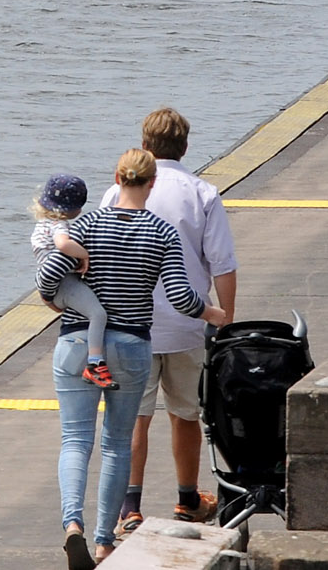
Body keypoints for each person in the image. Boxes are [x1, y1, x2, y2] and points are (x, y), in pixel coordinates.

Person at [37, 149, 222, 570]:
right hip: (131, 347)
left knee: (74, 440)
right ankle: (104, 542)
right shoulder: (162, 232)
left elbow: (47, 278)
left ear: (116, 179)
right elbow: (178, 297)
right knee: (117, 444)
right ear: (152, 183)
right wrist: (209, 312)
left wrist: (57, 300)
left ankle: (72, 526)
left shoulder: (85, 225)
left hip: (75, 344)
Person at [119, 107, 238, 534]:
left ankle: (129, 505)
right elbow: (222, 263)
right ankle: (188, 498)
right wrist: (226, 320)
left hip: (131, 324)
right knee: (186, 414)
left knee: (135, 416)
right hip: (187, 324)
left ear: (144, 144)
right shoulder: (202, 192)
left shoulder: (118, 191)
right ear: (185, 147)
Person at [31, 175, 116, 389]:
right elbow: (62, 245)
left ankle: (94, 361)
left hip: (50, 283)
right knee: (98, 314)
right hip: (64, 283)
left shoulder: (42, 224)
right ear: (74, 208)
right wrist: (84, 254)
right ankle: (95, 363)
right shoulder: (59, 225)